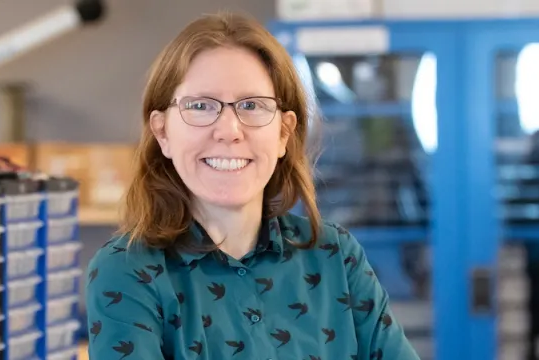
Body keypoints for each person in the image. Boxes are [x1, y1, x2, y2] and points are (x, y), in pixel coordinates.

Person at [85, 12, 419, 360]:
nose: (229, 130)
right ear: (163, 132)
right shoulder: (127, 272)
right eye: (200, 106)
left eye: (252, 105)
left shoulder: (335, 256)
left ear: (284, 134)